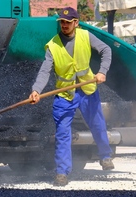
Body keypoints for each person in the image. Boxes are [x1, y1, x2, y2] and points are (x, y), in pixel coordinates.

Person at [29, 7, 114, 186]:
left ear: (76, 22)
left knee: (98, 125)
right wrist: (36, 90)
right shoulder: (53, 45)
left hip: (87, 90)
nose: (65, 25)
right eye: (62, 22)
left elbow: (106, 50)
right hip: (64, 94)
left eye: (68, 22)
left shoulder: (85, 36)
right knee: (62, 134)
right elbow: (45, 70)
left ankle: (105, 156)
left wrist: (102, 72)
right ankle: (62, 173)